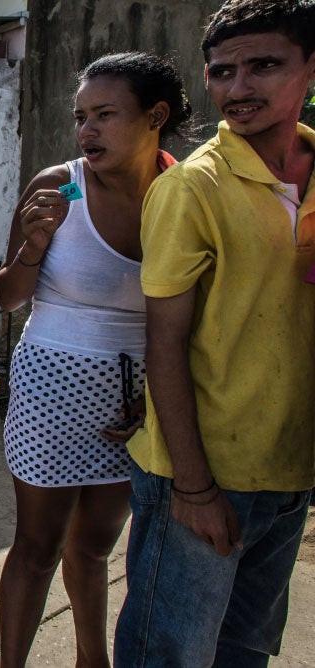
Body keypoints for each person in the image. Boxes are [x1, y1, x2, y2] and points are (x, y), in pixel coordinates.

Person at [114, 2, 315, 665]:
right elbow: (163, 342)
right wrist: (194, 488)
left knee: (246, 649)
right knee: (168, 653)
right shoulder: (192, 189)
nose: (239, 88)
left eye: (264, 66)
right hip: (200, 474)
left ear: (309, 69)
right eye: (223, 72)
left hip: (288, 468)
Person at [0, 51, 190, 667]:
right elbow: (6, 298)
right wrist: (35, 243)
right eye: (80, 117)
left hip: (133, 406)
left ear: (155, 116)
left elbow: (188, 315)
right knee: (37, 547)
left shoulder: (184, 193)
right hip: (51, 393)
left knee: (95, 550)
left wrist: (155, 396)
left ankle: (90, 659)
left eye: (105, 115)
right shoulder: (58, 185)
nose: (86, 131)